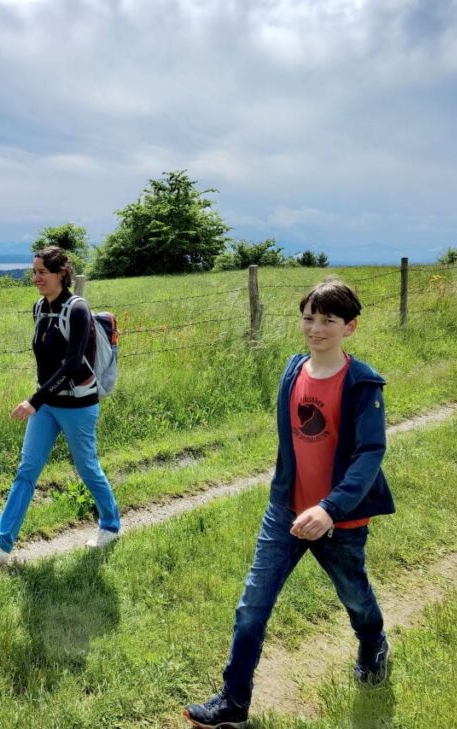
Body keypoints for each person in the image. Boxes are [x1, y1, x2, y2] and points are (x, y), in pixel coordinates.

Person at [183, 278, 394, 729]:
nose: (316, 328)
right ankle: (233, 704)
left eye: (328, 321)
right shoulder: (293, 370)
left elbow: (369, 454)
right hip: (285, 513)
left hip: (341, 520)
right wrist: (292, 498)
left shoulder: (361, 383)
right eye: (309, 318)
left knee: (354, 597)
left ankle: (373, 643)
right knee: (251, 607)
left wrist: (329, 509)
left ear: (350, 327)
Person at [0, 246, 120, 564]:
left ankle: (110, 525)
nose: (36, 278)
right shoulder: (39, 308)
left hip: (78, 405)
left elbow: (73, 365)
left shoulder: (76, 309)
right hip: (47, 403)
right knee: (27, 470)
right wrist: (41, 398)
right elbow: (46, 362)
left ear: (61, 274)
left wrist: (34, 400)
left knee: (87, 468)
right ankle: (1, 543)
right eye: (33, 272)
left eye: (42, 272)